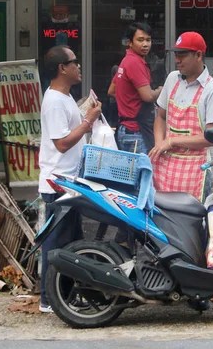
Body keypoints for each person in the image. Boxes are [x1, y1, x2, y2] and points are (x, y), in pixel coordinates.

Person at [38, 45, 102, 313]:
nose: (79, 66)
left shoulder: (64, 97)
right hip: (57, 184)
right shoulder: (53, 101)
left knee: (72, 243)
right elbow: (62, 143)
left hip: (70, 182)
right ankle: (48, 299)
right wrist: (88, 121)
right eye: (74, 62)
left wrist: (86, 113)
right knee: (55, 244)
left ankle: (64, 294)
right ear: (62, 68)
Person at [150, 32, 213, 201]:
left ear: (198, 55)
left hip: (196, 169)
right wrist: (159, 144)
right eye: (176, 55)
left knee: (192, 223)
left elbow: (212, 137)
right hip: (165, 167)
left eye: (182, 56)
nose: (177, 60)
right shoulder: (172, 79)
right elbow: (161, 117)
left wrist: (172, 141)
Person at [113, 22, 163, 154]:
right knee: (143, 173)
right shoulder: (135, 62)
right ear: (130, 42)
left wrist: (128, 102)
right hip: (136, 130)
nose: (145, 44)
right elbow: (148, 96)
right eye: (140, 40)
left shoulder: (126, 61)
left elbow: (112, 91)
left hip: (125, 129)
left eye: (148, 40)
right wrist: (161, 90)